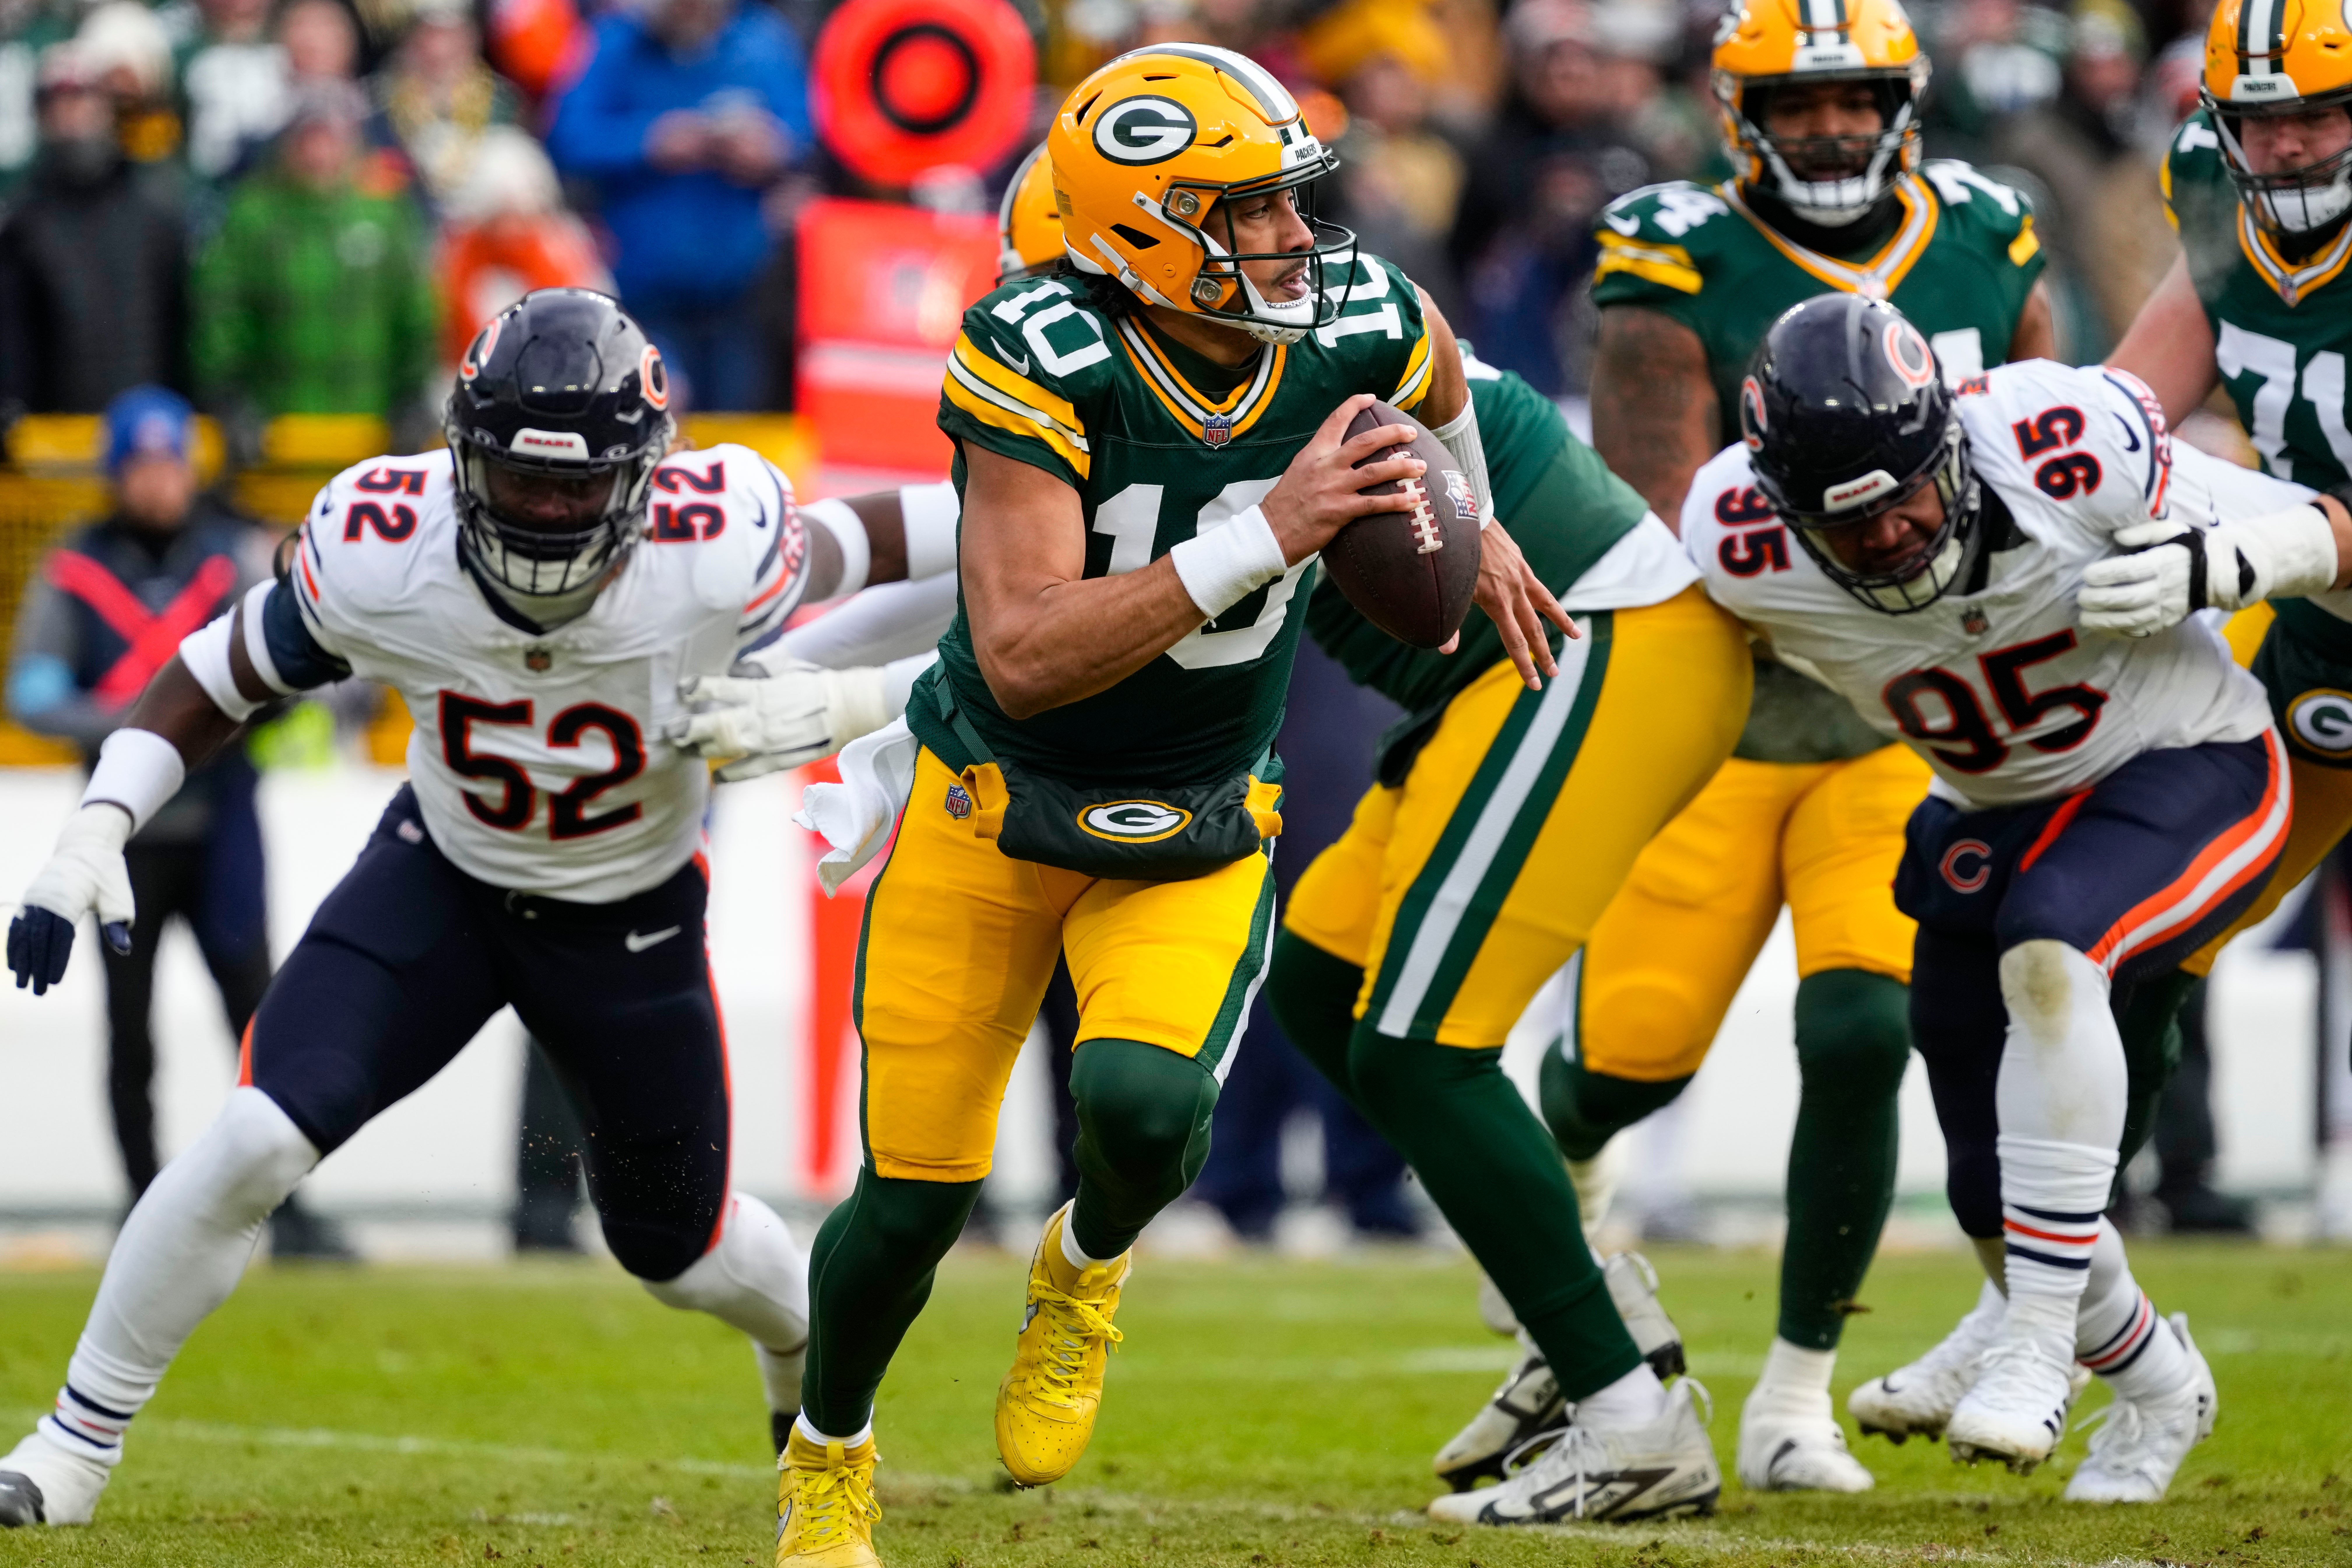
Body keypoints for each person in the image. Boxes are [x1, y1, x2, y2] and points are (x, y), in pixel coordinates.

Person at [769, 45, 1584, 1566]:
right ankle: (831, 1450)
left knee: (1146, 1115)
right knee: (910, 1200)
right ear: (1141, 226)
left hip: (1197, 812)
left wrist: (1465, 520)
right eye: (1245, 211)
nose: (1291, 236)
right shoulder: (1035, 342)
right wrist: (1267, 535)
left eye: (1287, 202)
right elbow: (1016, 654)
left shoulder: (1351, 315)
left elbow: (1435, 375)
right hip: (994, 804)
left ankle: (1084, 1271)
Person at [0, 289, 927, 1529]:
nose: (546, 513)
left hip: (626, 911)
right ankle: (70, 1444)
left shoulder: (719, 539)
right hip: (440, 875)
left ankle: (801, 1346)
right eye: (517, 478)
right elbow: (219, 672)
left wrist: (868, 697)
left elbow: (966, 530)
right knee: (259, 1134)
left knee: (680, 1249)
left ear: (647, 476)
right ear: (459, 451)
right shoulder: (387, 540)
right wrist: (99, 819)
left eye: (577, 486)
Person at [1504, 0, 2053, 1496]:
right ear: (1738, 111)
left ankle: (1795, 1393)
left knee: (1863, 1031)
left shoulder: (1992, 231)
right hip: (1725, 720)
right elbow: (1662, 509)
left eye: (1854, 96)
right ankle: (1561, 1214)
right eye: (1796, 103)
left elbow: (2046, 433)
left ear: (1906, 98)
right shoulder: (1677, 247)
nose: (1826, 127)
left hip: (1901, 725)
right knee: (1620, 1067)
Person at [1691, 293, 2344, 1499]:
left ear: (1951, 443)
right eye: (1846, 525)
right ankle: (2153, 1381)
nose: (1885, 538)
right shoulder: (1735, 540)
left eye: (1902, 498)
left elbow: (2333, 539)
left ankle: (2038, 1342)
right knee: (1990, 1181)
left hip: (2186, 759)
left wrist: (2226, 562)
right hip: (1991, 800)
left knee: (2050, 950)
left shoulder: (2067, 446)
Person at [6, 386, 343, 1259]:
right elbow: (33, 691)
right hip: (127, 838)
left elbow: (288, 667)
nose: (161, 483)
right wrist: (140, 726)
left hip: (222, 820)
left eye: (172, 465)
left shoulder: (226, 554)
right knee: (130, 1028)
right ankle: (141, 1197)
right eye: (144, 466)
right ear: (118, 473)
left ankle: (290, 1209)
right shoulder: (74, 565)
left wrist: (231, 716)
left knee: (260, 1017)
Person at [544, 0, 810, 411]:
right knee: (653, 423)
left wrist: (770, 147)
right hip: (643, 294)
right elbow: (568, 136)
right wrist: (649, 141)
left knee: (735, 430)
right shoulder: (616, 43)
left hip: (739, 292)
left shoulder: (759, 43)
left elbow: (804, 128)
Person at [192, 80, 439, 433]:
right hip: (277, 433)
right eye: (309, 138)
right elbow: (222, 310)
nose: (319, 152)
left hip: (369, 428)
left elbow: (416, 312)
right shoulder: (253, 215)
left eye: (331, 138)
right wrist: (228, 394)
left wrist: (413, 395)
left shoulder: (386, 214)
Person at [0, 42, 187, 414]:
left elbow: (181, 325)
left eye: (84, 100)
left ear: (107, 110)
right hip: (51, 440)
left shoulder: (154, 213)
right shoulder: (24, 223)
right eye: (58, 104)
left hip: (147, 441)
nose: (73, 116)